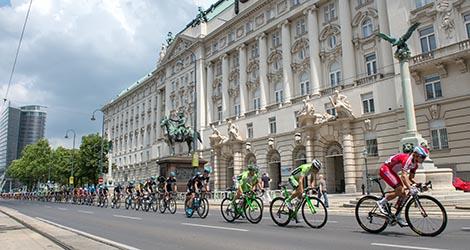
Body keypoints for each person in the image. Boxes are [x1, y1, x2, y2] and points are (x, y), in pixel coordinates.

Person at [376, 146, 430, 226]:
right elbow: (404, 176)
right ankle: (381, 202)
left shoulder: (415, 165)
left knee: (404, 195)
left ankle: (397, 216)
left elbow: (410, 178)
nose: (423, 159)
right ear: (415, 155)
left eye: (424, 157)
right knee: (400, 190)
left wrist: (419, 185)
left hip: (393, 172)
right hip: (386, 169)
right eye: (422, 157)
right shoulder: (407, 159)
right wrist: (410, 188)